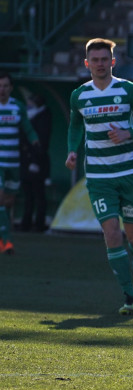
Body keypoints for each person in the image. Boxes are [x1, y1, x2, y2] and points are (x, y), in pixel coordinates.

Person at [66, 38, 133, 315]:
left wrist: (129, 133)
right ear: (87, 64)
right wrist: (72, 151)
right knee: (112, 234)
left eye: (105, 59)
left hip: (128, 172)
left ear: (113, 62)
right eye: (95, 60)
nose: (100, 64)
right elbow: (74, 127)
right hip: (98, 177)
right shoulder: (79, 95)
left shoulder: (128, 89)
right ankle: (130, 297)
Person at [0, 71, 40, 254]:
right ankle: (6, 241)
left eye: (5, 86)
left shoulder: (17, 107)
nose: (2, 89)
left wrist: (34, 140)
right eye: (0, 86)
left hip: (13, 164)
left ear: (11, 88)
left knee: (8, 202)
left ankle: (4, 238)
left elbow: (27, 127)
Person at [20, 92, 52, 232]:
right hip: (26, 161)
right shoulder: (30, 116)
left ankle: (38, 224)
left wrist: (36, 161)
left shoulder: (43, 117)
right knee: (28, 195)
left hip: (38, 163)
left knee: (38, 194)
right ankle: (26, 223)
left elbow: (42, 143)